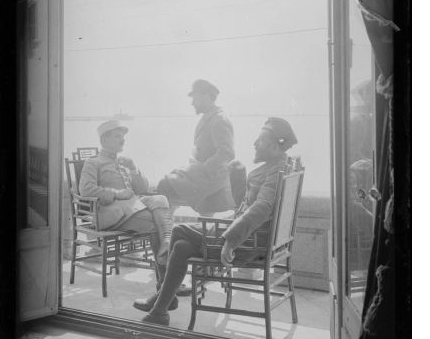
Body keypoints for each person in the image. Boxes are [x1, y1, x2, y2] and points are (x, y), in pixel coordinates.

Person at [133, 117, 298, 325]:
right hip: (255, 239)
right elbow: (245, 207)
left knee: (178, 232)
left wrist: (230, 241)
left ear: (275, 146)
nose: (254, 143)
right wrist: (239, 178)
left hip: (246, 244)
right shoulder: (279, 167)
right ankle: (162, 307)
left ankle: (163, 299)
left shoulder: (274, 173)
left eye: (260, 139)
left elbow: (261, 209)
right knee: (182, 247)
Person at [79, 120, 173, 265]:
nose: (123, 140)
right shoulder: (93, 162)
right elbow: (85, 189)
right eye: (117, 136)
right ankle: (165, 278)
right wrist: (116, 193)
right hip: (112, 213)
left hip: (133, 207)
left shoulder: (124, 163)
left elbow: (141, 189)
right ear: (104, 139)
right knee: (154, 224)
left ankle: (167, 240)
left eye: (123, 136)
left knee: (160, 199)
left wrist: (134, 168)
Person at [157, 79, 235, 215]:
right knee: (172, 176)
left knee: (164, 185)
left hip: (212, 177)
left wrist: (204, 169)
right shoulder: (208, 118)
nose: (192, 103)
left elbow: (226, 153)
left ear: (205, 96)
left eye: (195, 98)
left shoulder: (219, 120)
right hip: (202, 173)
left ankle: (167, 230)